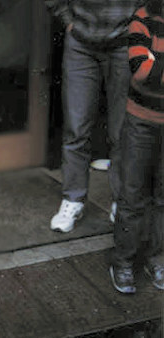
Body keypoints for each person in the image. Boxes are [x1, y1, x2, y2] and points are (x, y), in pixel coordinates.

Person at [46, 0, 143, 232]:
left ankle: (122, 202)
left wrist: (139, 27)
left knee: (122, 130)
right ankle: (73, 199)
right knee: (76, 126)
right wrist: (68, 20)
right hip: (80, 43)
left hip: (124, 44)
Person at [110, 0, 164, 293]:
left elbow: (152, 69)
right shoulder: (142, 18)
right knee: (132, 195)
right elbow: (140, 70)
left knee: (163, 197)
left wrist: (157, 67)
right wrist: (152, 69)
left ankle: (157, 260)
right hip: (141, 121)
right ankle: (123, 263)